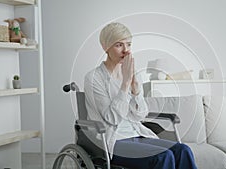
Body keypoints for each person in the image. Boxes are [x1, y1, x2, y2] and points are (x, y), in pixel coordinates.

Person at [84, 22, 197, 169]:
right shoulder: (94, 78)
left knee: (183, 150)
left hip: (137, 134)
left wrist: (136, 89)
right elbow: (111, 119)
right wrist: (125, 84)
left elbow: (140, 116)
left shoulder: (133, 74)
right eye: (119, 45)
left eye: (129, 44)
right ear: (105, 46)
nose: (126, 50)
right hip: (112, 141)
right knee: (163, 157)